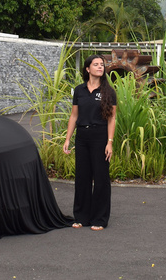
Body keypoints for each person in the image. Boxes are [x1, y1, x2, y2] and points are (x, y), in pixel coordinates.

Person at [63, 54, 117, 231]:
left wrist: (109, 142)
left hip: (100, 136)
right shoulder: (79, 90)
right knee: (82, 177)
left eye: (102, 65)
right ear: (88, 69)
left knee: (101, 178)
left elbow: (112, 119)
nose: (100, 67)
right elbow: (74, 116)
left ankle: (99, 219)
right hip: (82, 137)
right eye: (96, 65)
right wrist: (68, 138)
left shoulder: (108, 92)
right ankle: (81, 217)